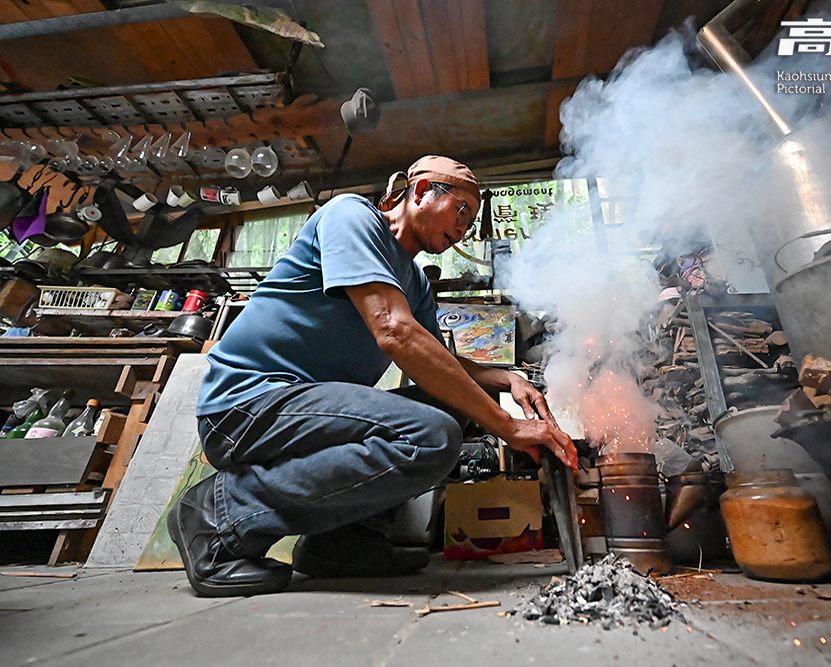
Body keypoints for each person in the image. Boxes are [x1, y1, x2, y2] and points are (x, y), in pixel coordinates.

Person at [169, 155, 577, 597]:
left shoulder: (415, 282)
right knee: (432, 435)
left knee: (448, 405)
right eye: (461, 211)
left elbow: (437, 359)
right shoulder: (352, 217)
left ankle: (341, 542)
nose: (464, 228)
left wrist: (507, 378)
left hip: (297, 405)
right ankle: (220, 516)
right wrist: (509, 426)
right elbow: (394, 331)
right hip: (246, 404)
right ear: (420, 192)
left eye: (472, 221)